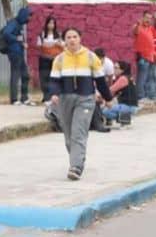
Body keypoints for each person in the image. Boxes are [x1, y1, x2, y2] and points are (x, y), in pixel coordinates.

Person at [47, 28, 113, 180]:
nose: (71, 40)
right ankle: (78, 158)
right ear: (64, 40)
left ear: (80, 39)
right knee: (69, 135)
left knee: (78, 132)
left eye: (74, 36)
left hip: (85, 99)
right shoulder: (59, 59)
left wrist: (107, 98)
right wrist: (54, 94)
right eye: (68, 37)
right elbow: (54, 81)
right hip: (65, 99)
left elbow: (100, 81)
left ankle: (76, 167)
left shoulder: (91, 57)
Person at [1, 7, 33, 106]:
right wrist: (18, 39)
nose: (29, 18)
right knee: (15, 75)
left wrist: (22, 43)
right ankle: (14, 99)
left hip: (19, 52)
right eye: (28, 16)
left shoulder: (19, 25)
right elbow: (6, 33)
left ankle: (24, 98)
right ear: (23, 15)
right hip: (14, 53)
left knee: (25, 75)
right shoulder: (13, 23)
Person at [101, 61, 139, 126]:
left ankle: (125, 118)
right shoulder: (128, 77)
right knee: (107, 105)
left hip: (128, 106)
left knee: (105, 111)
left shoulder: (123, 79)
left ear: (122, 70)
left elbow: (111, 90)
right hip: (131, 106)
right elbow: (113, 93)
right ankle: (124, 118)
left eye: (116, 68)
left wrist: (99, 94)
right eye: (114, 68)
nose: (114, 70)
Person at [36, 15, 64, 104]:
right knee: (44, 77)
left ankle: (53, 96)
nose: (51, 25)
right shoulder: (42, 34)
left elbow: (63, 45)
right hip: (44, 59)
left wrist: (57, 45)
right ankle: (46, 97)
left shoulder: (58, 35)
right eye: (50, 23)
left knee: (54, 77)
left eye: (53, 23)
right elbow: (39, 45)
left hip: (55, 59)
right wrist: (48, 46)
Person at [132, 12, 156, 102]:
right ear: (142, 17)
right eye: (147, 17)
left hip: (150, 57)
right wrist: (138, 24)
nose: (148, 20)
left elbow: (151, 44)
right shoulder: (138, 27)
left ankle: (146, 95)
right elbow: (135, 31)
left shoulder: (149, 29)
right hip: (142, 57)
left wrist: (155, 56)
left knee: (148, 77)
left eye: (150, 18)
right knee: (141, 77)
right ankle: (140, 96)